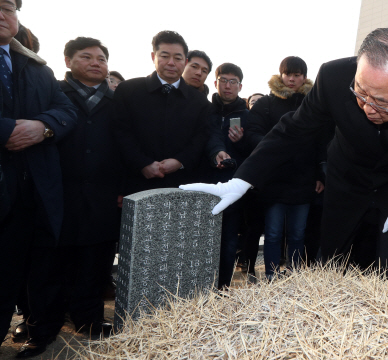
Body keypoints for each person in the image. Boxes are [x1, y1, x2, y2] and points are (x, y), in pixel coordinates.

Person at [181, 27, 388, 277]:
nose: (367, 108)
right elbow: (292, 131)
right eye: (360, 92)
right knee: (333, 271)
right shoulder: (333, 77)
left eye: (381, 102)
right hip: (347, 186)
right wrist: (242, 179)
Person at [15, 37, 120, 358]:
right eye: (86, 57)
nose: (95, 63)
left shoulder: (117, 102)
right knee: (48, 265)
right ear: (68, 61)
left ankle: (88, 319)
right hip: (55, 195)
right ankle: (43, 327)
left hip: (101, 196)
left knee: (94, 262)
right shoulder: (53, 95)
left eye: (101, 58)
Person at [0, 0, 77, 350]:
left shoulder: (36, 68)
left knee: (37, 270)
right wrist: (7, 131)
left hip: (36, 191)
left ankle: (38, 334)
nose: (2, 14)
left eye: (7, 8)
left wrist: (43, 126)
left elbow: (65, 110)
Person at [245, 56, 325, 280]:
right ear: (280, 75)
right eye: (288, 73)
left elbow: (322, 142)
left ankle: (294, 276)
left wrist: (321, 175)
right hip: (273, 180)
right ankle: (270, 275)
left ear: (305, 77)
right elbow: (252, 133)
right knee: (272, 233)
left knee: (298, 234)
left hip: (304, 180)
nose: (292, 78)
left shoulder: (313, 106)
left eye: (297, 74)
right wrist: (273, 150)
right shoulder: (266, 104)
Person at [112, 30, 209, 195]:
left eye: (178, 58)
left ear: (185, 62)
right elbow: (120, 132)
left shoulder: (200, 101)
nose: (171, 63)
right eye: (164, 56)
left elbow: (201, 137)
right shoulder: (128, 90)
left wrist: (180, 161)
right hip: (135, 183)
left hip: (182, 185)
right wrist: (142, 163)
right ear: (153, 57)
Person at [205, 63, 250, 287]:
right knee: (204, 237)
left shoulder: (247, 115)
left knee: (229, 240)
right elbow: (203, 141)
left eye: (233, 81)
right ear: (215, 83)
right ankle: (202, 285)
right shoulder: (205, 110)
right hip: (205, 182)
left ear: (240, 86)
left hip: (233, 186)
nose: (228, 85)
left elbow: (254, 152)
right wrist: (215, 154)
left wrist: (240, 144)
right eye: (223, 80)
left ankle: (222, 287)